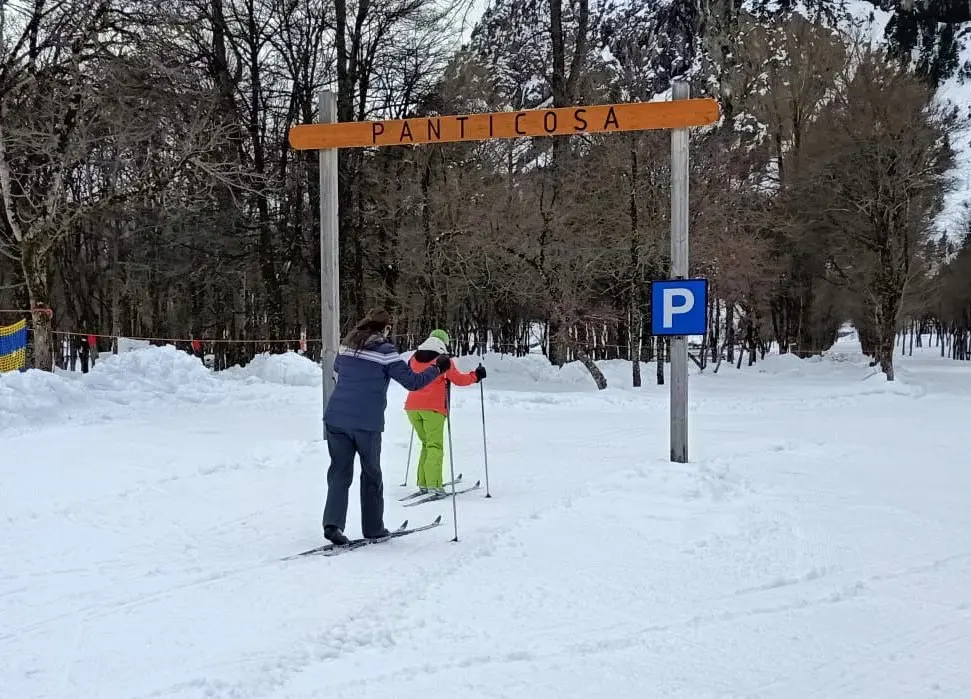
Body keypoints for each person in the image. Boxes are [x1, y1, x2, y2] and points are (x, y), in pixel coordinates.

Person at [321, 309, 451, 545]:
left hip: (336, 418)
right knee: (371, 474)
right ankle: (374, 528)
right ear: (385, 329)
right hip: (366, 422)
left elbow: (338, 368)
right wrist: (438, 367)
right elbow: (413, 382)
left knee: (339, 472)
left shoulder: (348, 344)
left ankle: (332, 524)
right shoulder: (385, 352)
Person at [404, 329, 487, 495]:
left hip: (412, 407)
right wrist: (476, 376)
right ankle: (434, 484)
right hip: (433, 409)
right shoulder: (442, 360)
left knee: (426, 444)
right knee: (435, 446)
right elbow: (459, 380)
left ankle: (424, 482)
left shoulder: (414, 357)